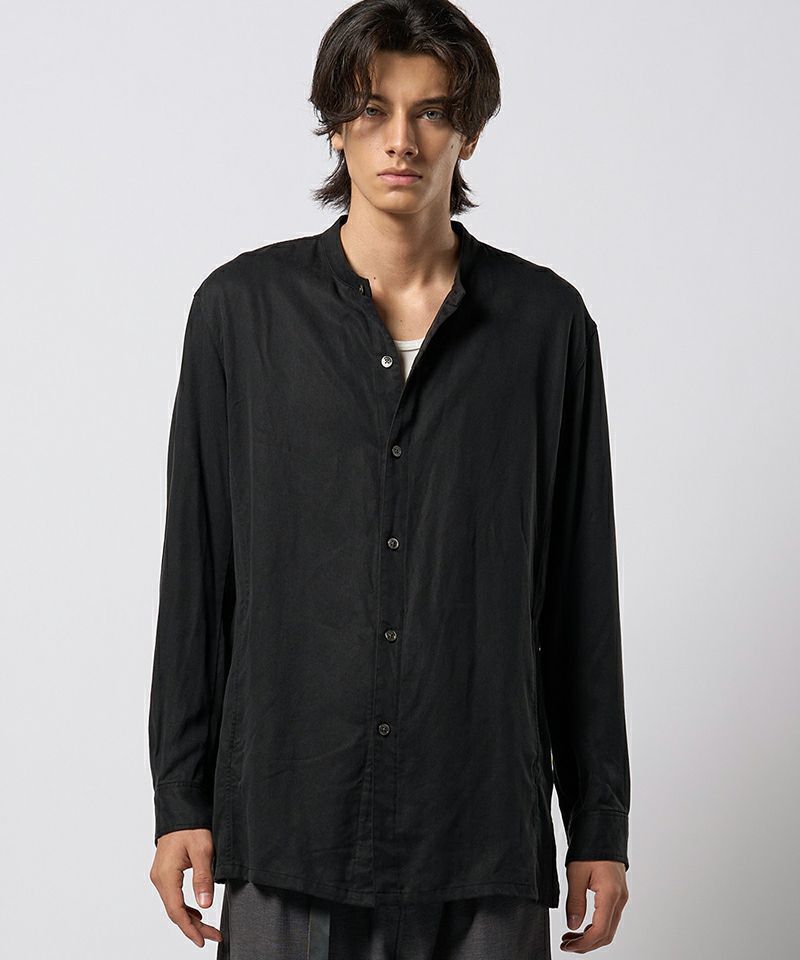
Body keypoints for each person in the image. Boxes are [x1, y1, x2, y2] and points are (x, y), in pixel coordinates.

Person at [147, 1, 631, 957]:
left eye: (432, 112)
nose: (400, 140)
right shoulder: (241, 314)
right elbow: (198, 574)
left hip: (480, 827)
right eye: (371, 110)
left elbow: (580, 591)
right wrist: (180, 800)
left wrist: (600, 824)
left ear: (470, 132)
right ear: (336, 124)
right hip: (288, 821)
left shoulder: (546, 326)